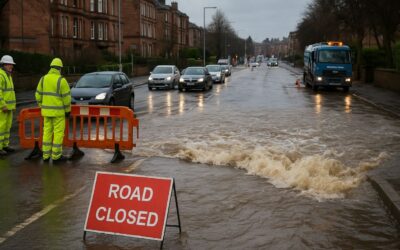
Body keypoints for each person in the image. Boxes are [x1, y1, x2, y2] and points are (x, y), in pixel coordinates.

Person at [35, 58, 71, 162]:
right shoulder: (61, 80)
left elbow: (38, 95)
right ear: (60, 68)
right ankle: (56, 156)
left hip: (46, 113)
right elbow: (67, 99)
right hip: (59, 113)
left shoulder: (43, 79)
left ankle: (45, 156)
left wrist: (42, 106)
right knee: (58, 134)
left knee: (47, 133)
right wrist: (67, 111)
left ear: (51, 67)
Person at [0, 55, 17, 156]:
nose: (12, 66)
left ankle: (5, 145)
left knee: (7, 127)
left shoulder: (8, 75)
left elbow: (10, 92)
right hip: (3, 108)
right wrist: (3, 105)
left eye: (12, 64)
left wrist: (12, 105)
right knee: (1, 127)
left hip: (9, 107)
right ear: (4, 64)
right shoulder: (1, 75)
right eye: (10, 64)